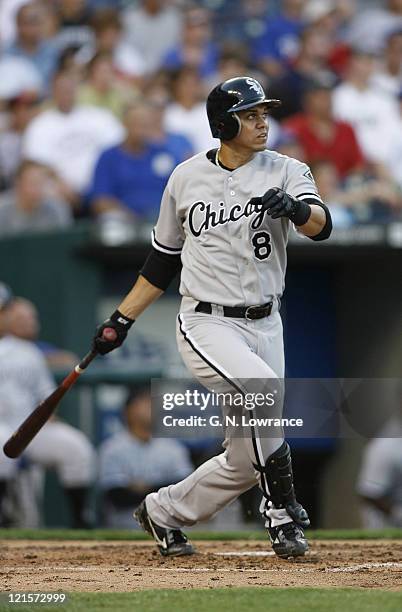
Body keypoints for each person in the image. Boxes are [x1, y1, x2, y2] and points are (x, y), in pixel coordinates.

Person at [92, 76, 332, 559]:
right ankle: (283, 511)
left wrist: (295, 209)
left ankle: (162, 512)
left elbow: (322, 226)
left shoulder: (288, 169)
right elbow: (161, 261)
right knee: (261, 391)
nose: (262, 122)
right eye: (251, 115)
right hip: (206, 320)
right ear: (224, 123)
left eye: (264, 113)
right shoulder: (184, 177)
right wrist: (122, 319)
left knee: (245, 461)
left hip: (268, 322)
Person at [0, 283, 95, 528]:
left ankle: (80, 521)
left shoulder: (28, 351)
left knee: (76, 448)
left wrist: (47, 414)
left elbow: (45, 392)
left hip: (27, 425)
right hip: (1, 427)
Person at [22, 69, 124, 206]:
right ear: (52, 91)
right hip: (60, 191)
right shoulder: (40, 125)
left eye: (69, 88)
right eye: (61, 89)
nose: (66, 93)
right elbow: (36, 163)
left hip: (101, 187)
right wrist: (61, 184)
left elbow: (118, 148)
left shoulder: (99, 117)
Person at [99, 387, 193, 528]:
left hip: (171, 526)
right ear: (128, 411)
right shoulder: (111, 448)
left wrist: (142, 487)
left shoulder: (173, 447)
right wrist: (164, 489)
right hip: (126, 527)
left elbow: (184, 492)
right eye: (144, 403)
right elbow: (117, 497)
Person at [90, 100, 187, 222]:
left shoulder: (164, 154)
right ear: (124, 124)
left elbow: (181, 191)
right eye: (137, 124)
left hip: (162, 220)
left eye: (146, 124)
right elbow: (101, 200)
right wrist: (130, 217)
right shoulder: (108, 157)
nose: (142, 129)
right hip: (124, 221)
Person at [0, 160, 72, 236]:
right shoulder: (2, 209)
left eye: (41, 182)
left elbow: (66, 240)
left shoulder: (58, 207)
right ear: (18, 183)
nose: (38, 188)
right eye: (32, 182)